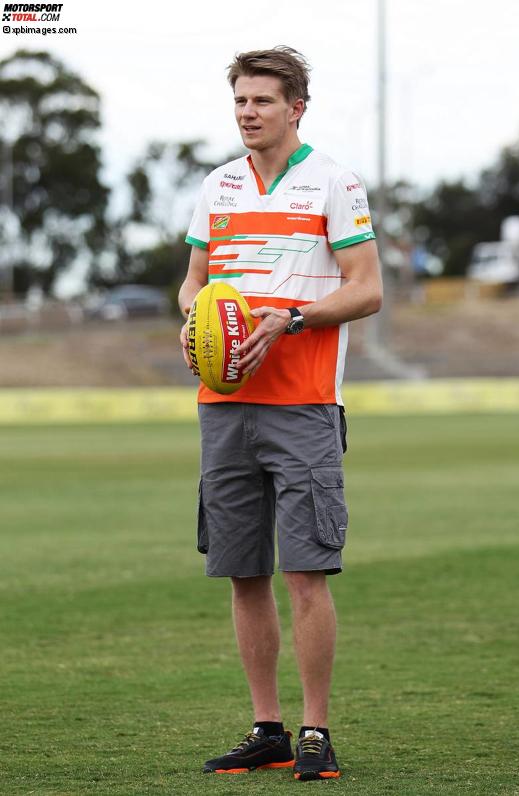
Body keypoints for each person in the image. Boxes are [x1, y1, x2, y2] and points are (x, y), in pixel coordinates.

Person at [178, 46, 382, 781]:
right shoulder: (217, 186)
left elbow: (367, 288)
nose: (247, 113)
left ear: (296, 107)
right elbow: (197, 283)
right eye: (240, 100)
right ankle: (266, 727)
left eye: (262, 100)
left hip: (302, 404)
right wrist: (190, 321)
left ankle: (316, 732)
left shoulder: (334, 182)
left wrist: (291, 318)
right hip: (224, 405)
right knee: (241, 573)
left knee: (304, 572)